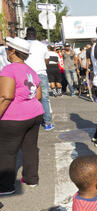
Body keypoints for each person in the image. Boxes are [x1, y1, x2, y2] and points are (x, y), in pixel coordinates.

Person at [0, 37, 43, 195]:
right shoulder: (31, 70)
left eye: (7, 49)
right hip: (35, 113)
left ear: (12, 51)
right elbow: (38, 95)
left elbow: (6, 96)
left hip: (14, 117)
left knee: (7, 152)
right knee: (30, 148)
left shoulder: (8, 70)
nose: (6, 52)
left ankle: (5, 186)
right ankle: (31, 179)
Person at [25, 27, 54, 131]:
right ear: (36, 35)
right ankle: (47, 122)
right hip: (41, 73)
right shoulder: (42, 46)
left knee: (28, 98)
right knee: (45, 98)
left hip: (27, 75)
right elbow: (47, 60)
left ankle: (30, 123)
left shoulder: (23, 45)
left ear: (27, 34)